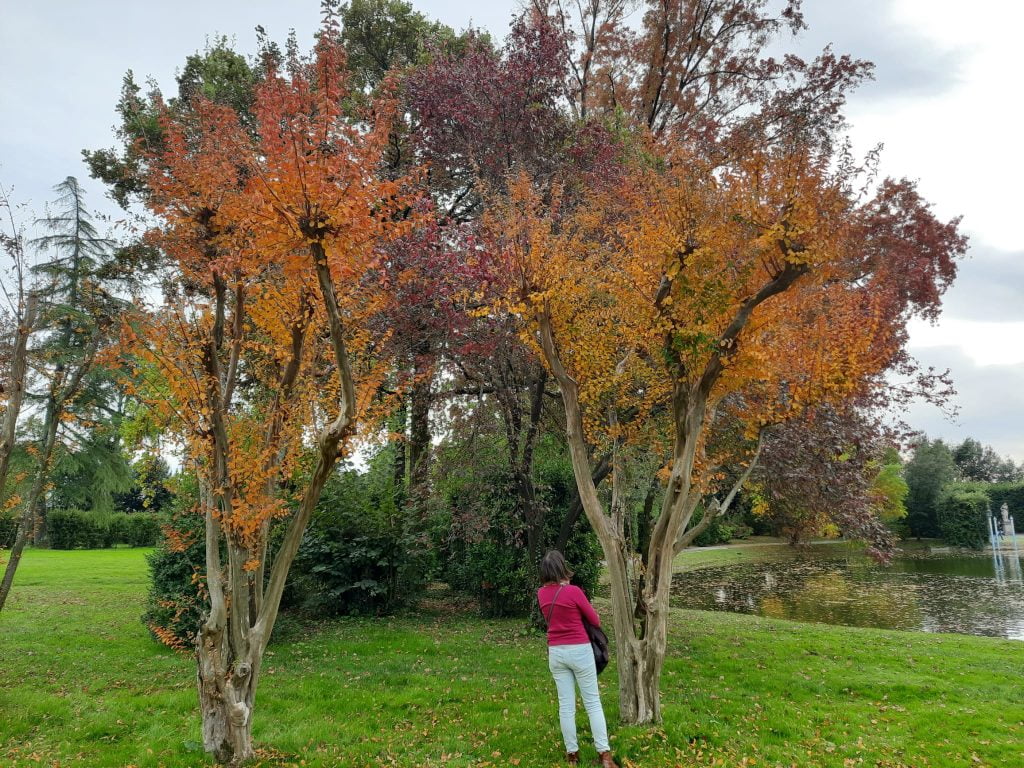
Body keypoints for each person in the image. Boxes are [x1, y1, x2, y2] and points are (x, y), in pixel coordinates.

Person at [537, 550, 615, 767]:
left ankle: (572, 755)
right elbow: (595, 619)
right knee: (592, 703)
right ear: (562, 568)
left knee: (566, 706)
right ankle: (604, 755)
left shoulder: (541, 595)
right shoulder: (574, 591)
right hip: (579, 650)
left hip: (556, 652)